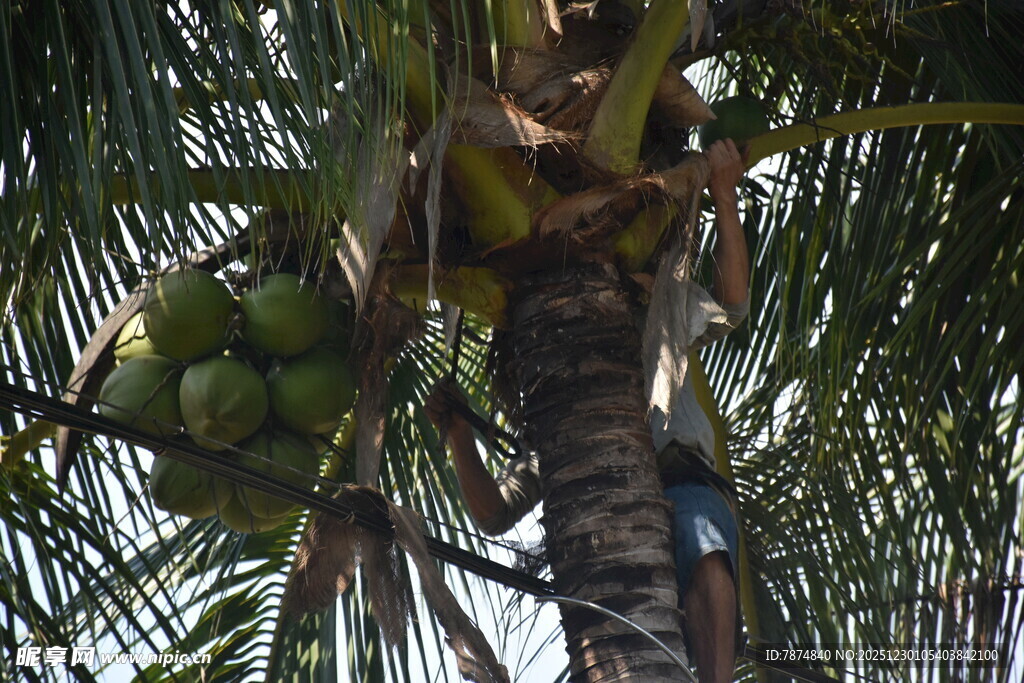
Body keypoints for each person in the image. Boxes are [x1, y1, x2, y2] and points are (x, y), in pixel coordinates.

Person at [425, 139, 750, 683]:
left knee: (708, 558)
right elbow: (492, 512)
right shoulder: (562, 426)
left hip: (686, 484)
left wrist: (723, 195)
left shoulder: (656, 316)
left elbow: (733, 304)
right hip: (601, 516)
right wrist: (458, 432)